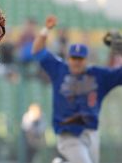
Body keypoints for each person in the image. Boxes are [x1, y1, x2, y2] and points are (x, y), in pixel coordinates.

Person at [31, 15, 122, 163]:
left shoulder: (98, 75)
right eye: (74, 58)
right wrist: (45, 30)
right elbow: (37, 51)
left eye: (80, 58)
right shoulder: (59, 69)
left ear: (86, 59)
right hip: (68, 133)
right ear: (68, 58)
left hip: (91, 132)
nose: (76, 62)